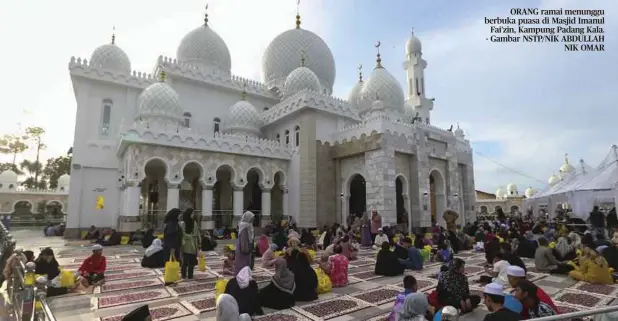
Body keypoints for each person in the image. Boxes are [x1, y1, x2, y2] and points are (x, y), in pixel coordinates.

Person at [180, 208, 201, 279]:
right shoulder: (183, 223)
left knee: (192, 261)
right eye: (192, 213)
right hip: (185, 244)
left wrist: (199, 243)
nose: (193, 215)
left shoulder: (194, 223)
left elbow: (196, 233)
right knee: (185, 261)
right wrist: (190, 236)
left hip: (193, 245)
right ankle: (183, 274)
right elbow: (182, 233)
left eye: (193, 213)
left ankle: (190, 275)